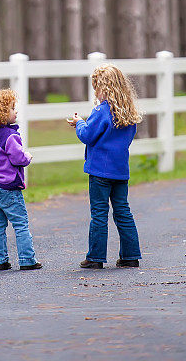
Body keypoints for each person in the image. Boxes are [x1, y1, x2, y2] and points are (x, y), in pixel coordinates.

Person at [67, 63, 142, 269]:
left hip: (100, 170)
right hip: (120, 170)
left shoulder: (101, 111)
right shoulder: (128, 112)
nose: (96, 93)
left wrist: (79, 123)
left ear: (104, 88)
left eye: (97, 88)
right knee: (122, 211)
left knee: (99, 212)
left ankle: (96, 257)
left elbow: (87, 136)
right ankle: (130, 255)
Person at [0, 88, 42, 271]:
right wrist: (27, 156)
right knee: (20, 222)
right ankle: (27, 260)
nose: (16, 112)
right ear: (1, 113)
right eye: (12, 109)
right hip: (9, 188)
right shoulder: (10, 136)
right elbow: (18, 158)